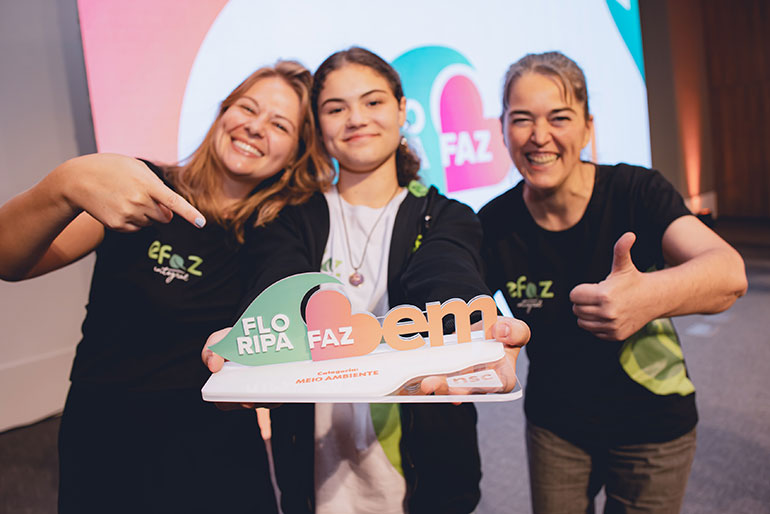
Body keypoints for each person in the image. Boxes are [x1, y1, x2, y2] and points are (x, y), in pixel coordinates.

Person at [203, 47, 530, 514]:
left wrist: (476, 330)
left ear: (401, 110)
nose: (356, 118)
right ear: (318, 126)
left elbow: (445, 267)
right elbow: (278, 285)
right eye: (336, 108)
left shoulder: (445, 216)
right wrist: (250, 344)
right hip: (317, 479)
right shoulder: (289, 219)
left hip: (429, 481)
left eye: (373, 102)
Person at [0, 60, 330, 514]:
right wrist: (65, 185)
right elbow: (8, 260)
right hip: (108, 436)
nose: (255, 128)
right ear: (222, 112)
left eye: (279, 124)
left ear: (295, 152)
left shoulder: (279, 227)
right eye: (247, 108)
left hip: (218, 445)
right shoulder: (138, 188)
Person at [479, 51, 748, 514]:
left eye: (559, 118)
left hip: (653, 425)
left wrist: (649, 297)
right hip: (555, 426)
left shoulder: (635, 192)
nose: (539, 136)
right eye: (521, 119)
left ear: (587, 126)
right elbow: (466, 310)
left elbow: (729, 274)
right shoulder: (494, 222)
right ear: (502, 127)